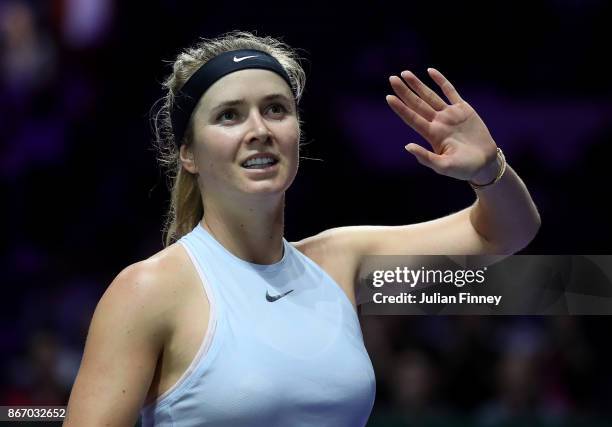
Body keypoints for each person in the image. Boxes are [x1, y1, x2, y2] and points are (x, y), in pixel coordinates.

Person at [63, 30, 541, 426]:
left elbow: (504, 233)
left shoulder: (341, 263)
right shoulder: (148, 290)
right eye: (229, 115)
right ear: (188, 153)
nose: (259, 129)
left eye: (276, 109)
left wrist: (487, 169)